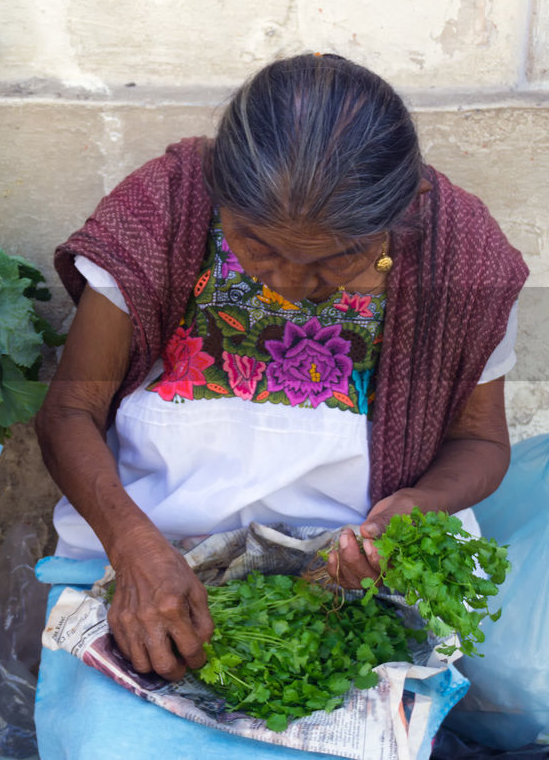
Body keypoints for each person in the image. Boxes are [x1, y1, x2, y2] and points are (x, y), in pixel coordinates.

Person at [35, 54, 527, 704]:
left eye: (331, 263)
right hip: (149, 553)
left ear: (402, 213)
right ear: (220, 195)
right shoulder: (163, 212)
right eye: (258, 246)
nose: (289, 283)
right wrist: (132, 546)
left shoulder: (462, 255)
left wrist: (411, 512)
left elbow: (483, 443)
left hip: (356, 577)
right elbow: (68, 413)